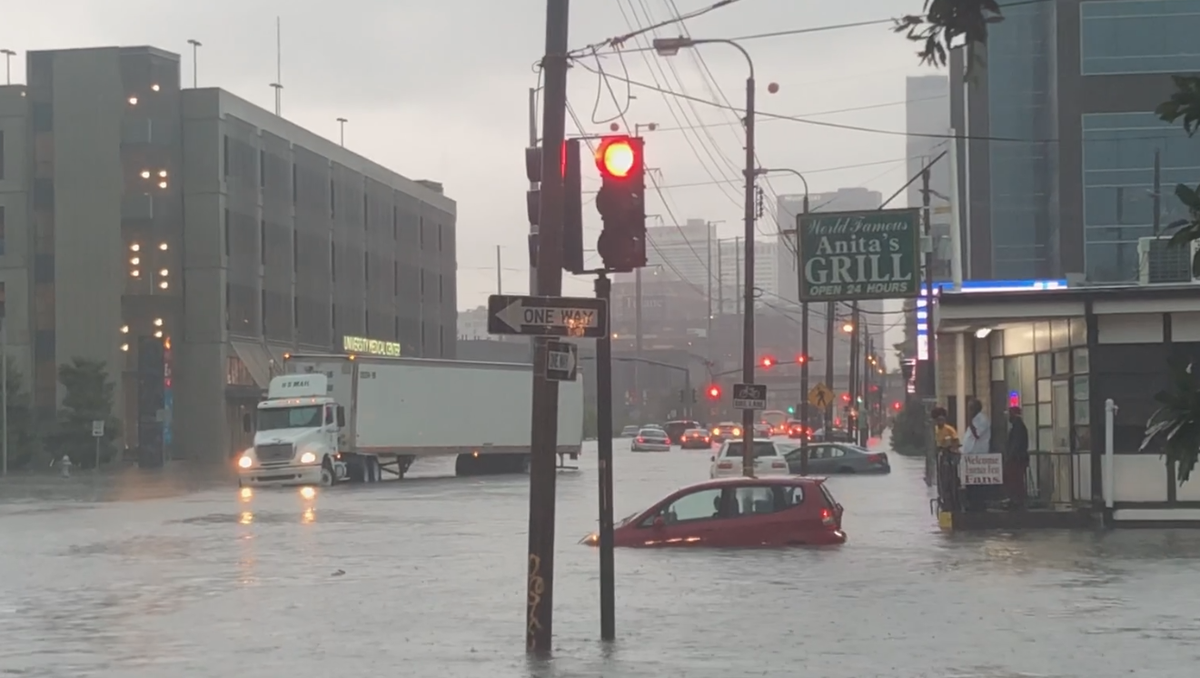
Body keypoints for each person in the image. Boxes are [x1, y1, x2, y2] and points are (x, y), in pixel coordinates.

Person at [930, 406, 961, 510]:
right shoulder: (934, 430)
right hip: (940, 456)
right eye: (937, 420)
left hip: (949, 457)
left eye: (941, 419)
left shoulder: (949, 430)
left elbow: (956, 442)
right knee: (941, 481)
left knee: (949, 480)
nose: (940, 422)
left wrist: (949, 446)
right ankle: (943, 498)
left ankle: (951, 501)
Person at [1004, 406, 1030, 508]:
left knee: (1016, 480)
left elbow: (1016, 444)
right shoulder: (1017, 426)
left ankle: (1017, 501)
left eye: (1010, 414)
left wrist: (1009, 457)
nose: (1009, 417)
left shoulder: (1018, 427)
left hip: (1017, 459)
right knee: (1014, 480)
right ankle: (1015, 500)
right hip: (1017, 458)